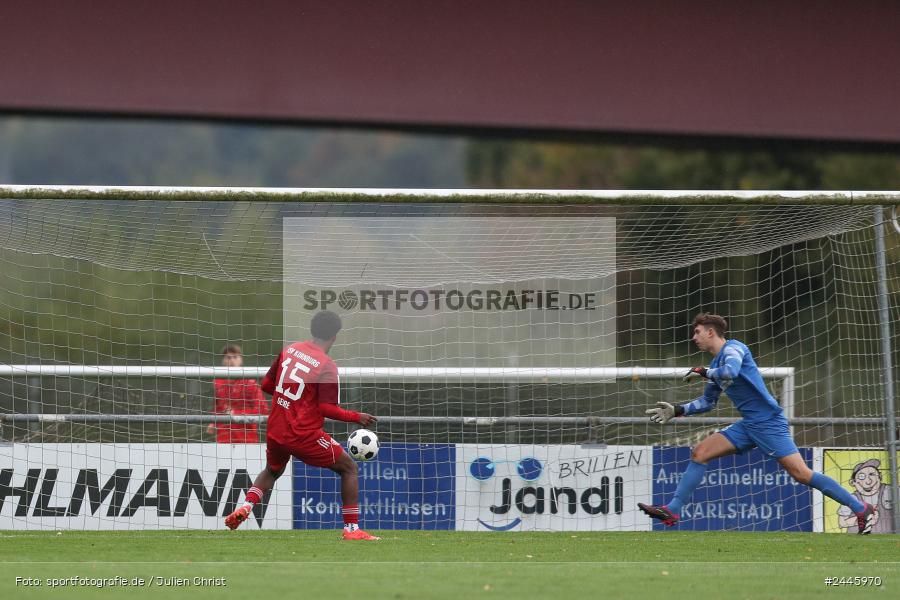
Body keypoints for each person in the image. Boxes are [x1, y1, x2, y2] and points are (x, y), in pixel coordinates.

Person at [638, 313, 877, 534]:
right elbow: (707, 402)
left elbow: (730, 371)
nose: (694, 337)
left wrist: (703, 371)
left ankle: (860, 508)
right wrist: (677, 410)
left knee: (801, 474)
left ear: (711, 332)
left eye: (697, 332)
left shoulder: (734, 348)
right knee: (700, 453)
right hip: (748, 425)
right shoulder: (715, 367)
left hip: (768, 423)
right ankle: (673, 510)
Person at [224, 310, 379, 540]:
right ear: (335, 336)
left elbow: (267, 385)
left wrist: (291, 398)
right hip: (302, 434)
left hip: (276, 427)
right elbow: (327, 408)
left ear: (312, 330)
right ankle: (352, 530)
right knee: (349, 468)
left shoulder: (290, 350)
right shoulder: (326, 365)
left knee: (273, 470)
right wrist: (357, 416)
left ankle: (247, 505)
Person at [208, 345, 269, 443]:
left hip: (246, 439)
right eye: (228, 357)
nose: (232, 360)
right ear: (223, 361)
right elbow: (218, 407)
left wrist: (236, 414)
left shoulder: (250, 383)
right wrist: (212, 422)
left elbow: (263, 410)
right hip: (223, 439)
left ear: (241, 360)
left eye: (235, 357)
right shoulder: (217, 382)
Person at [837, 458, 893, 534]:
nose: (868, 481)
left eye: (872, 474)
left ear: (880, 476)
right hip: (857, 540)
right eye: (861, 476)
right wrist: (863, 519)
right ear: (853, 482)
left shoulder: (889, 491)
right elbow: (842, 523)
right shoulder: (851, 498)